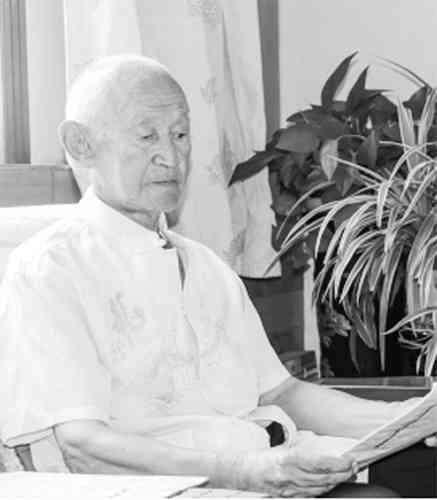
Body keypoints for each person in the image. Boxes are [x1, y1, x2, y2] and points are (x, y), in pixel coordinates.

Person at [0, 55, 426, 497]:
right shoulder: (50, 268)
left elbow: (282, 395)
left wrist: (412, 417)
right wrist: (243, 471)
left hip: (265, 470)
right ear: (80, 144)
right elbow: (82, 446)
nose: (171, 157)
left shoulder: (205, 265)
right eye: (147, 136)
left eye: (180, 134)